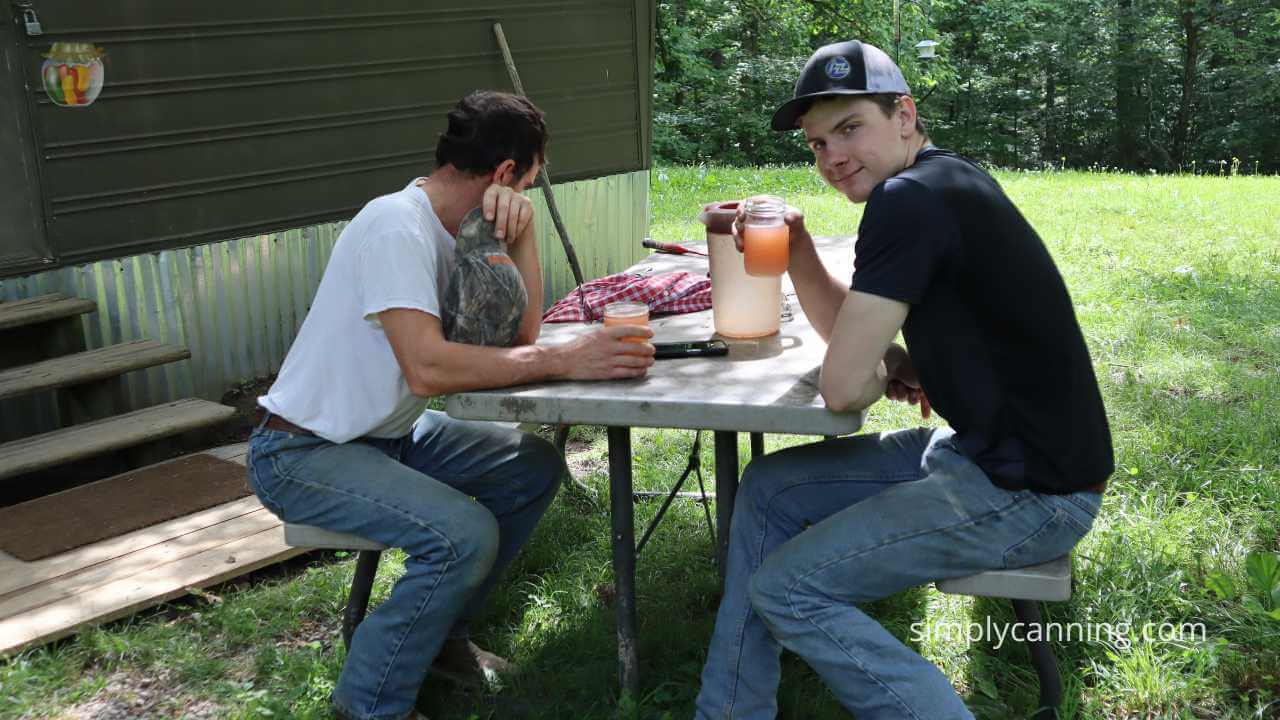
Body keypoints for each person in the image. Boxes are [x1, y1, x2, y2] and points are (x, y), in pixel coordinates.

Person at [694, 40, 1113, 720]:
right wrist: (801, 251)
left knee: (789, 590)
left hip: (1031, 493)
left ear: (905, 115)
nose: (832, 158)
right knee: (769, 488)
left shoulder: (908, 200)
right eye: (817, 143)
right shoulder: (941, 180)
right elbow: (859, 352)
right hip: (984, 453)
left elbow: (842, 390)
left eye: (849, 128)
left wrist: (881, 363)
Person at [247, 90, 655, 720]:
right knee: (462, 535)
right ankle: (367, 704)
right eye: (531, 185)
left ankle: (438, 641)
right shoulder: (395, 226)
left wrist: (520, 237)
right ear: (504, 175)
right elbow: (430, 366)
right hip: (302, 450)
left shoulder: (459, 231)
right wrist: (566, 359)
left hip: (386, 435)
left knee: (532, 467)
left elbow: (522, 337)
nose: (527, 195)